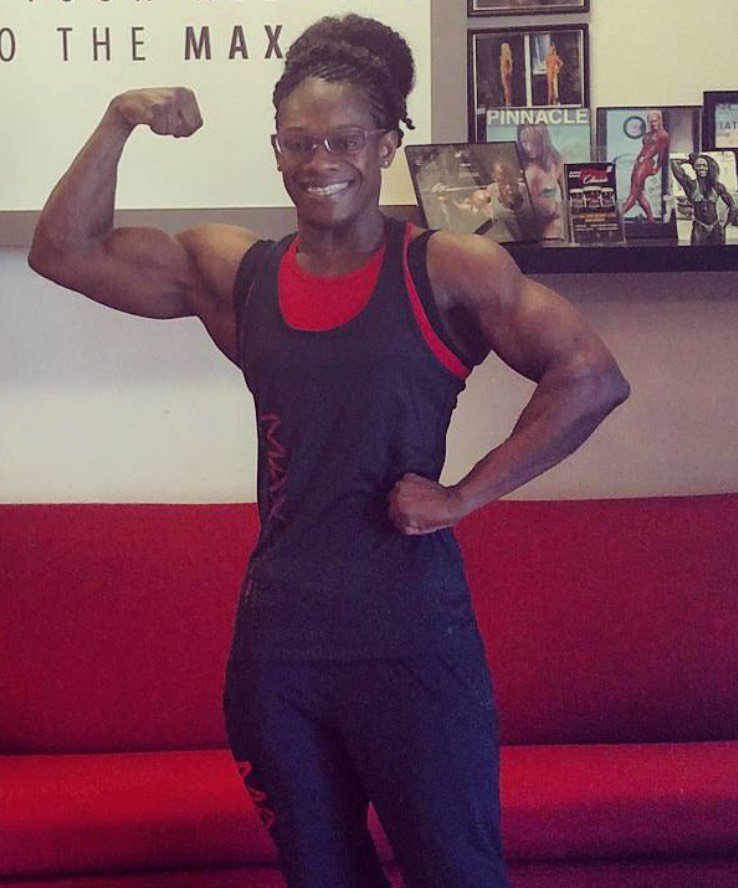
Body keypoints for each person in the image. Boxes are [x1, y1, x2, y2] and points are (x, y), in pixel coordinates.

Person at [28, 13, 630, 888]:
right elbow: (63, 251)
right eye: (298, 142)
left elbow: (591, 376)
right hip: (279, 654)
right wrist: (120, 117)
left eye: (345, 140)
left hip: (413, 644)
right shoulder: (239, 273)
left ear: (386, 145)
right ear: (276, 150)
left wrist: (463, 495)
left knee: (457, 874)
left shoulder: (447, 269)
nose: (321, 161)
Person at [671, 153, 738, 245]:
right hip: (699, 227)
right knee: (697, 253)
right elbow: (674, 164)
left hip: (715, 227)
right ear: (694, 167)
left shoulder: (717, 186)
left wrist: (724, 226)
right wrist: (690, 161)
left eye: (704, 165)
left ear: (708, 167)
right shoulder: (691, 185)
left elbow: (733, 206)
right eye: (698, 165)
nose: (701, 168)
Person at [620, 109, 670, 223]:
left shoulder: (663, 135)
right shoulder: (649, 134)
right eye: (651, 121)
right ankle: (651, 221)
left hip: (646, 163)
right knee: (638, 194)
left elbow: (661, 153)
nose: (653, 123)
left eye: (655, 121)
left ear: (660, 121)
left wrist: (657, 168)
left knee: (633, 194)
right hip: (639, 162)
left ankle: (618, 216)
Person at [517, 122, 564, 239]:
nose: (529, 148)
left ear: (543, 141)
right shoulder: (521, 163)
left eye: (534, 142)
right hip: (526, 221)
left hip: (552, 218)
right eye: (524, 142)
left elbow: (565, 196)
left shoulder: (555, 161)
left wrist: (552, 184)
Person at [545, 41, 563, 106]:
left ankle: (554, 101)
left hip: (553, 74)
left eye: (551, 49)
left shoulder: (555, 56)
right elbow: (546, 65)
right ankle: (550, 102)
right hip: (549, 73)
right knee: (550, 88)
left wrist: (557, 69)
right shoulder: (547, 57)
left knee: (555, 88)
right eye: (549, 49)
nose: (550, 51)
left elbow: (561, 63)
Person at [499, 42, 514, 108]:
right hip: (503, 72)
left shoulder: (508, 55)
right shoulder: (502, 56)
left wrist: (510, 70)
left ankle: (508, 102)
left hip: (506, 73)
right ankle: (507, 102)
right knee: (505, 88)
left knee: (507, 88)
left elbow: (510, 62)